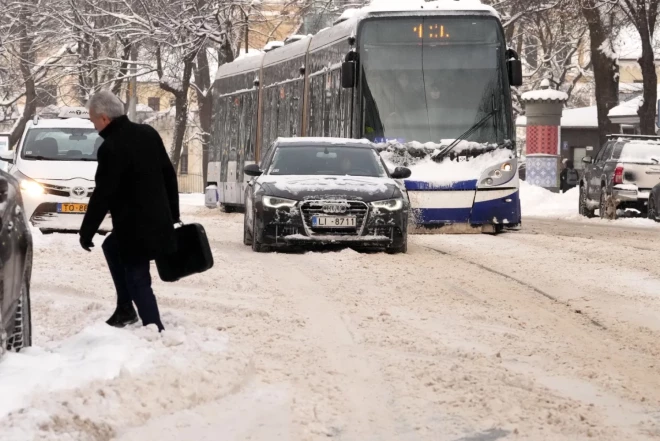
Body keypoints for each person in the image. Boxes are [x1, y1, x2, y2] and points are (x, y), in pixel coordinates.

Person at [80, 91, 180, 331]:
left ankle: (154, 327)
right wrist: (173, 214)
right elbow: (169, 174)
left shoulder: (111, 147)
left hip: (134, 227)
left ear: (104, 118)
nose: (94, 126)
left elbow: (103, 194)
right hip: (157, 219)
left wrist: (87, 231)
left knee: (138, 277)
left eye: (93, 120)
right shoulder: (148, 133)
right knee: (111, 247)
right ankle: (125, 307)